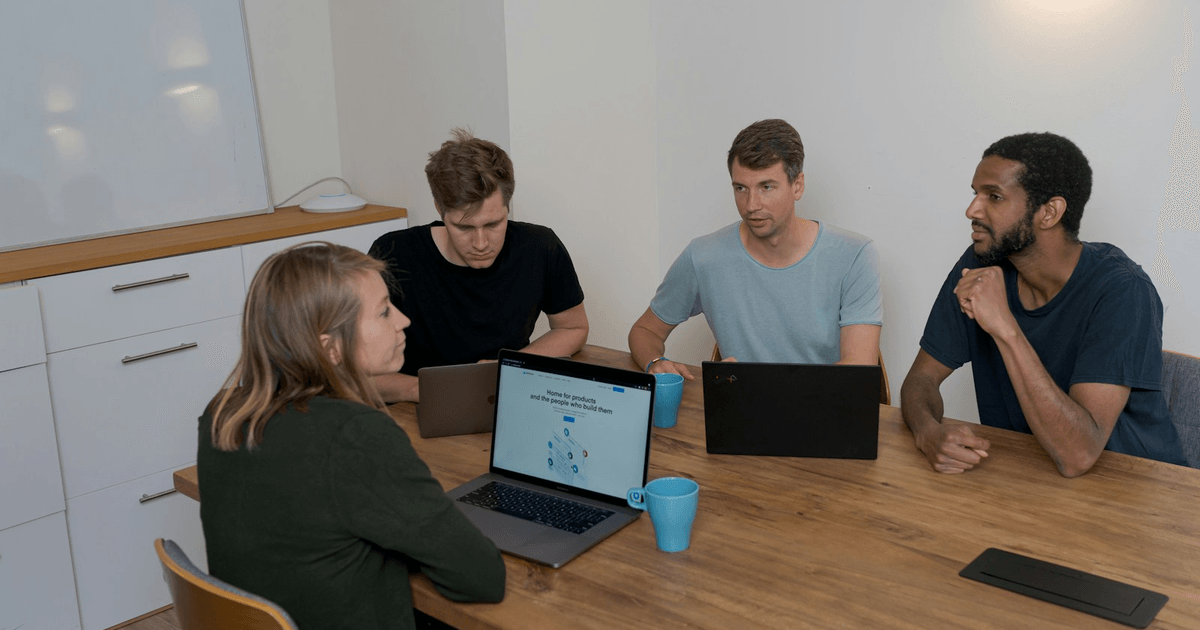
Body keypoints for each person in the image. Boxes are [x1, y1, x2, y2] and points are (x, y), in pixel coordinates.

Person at [197, 242, 506, 630]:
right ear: (330, 348)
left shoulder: (223, 413)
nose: (403, 320)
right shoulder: (354, 435)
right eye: (384, 311)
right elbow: (481, 578)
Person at [901, 132, 1187, 477]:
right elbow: (921, 379)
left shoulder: (1123, 290)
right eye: (975, 194)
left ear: (1049, 213)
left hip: (1138, 488)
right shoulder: (981, 264)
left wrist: (1005, 328)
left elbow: (1077, 455)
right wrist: (929, 433)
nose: (972, 210)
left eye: (994, 196)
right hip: (1031, 478)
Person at [628, 118, 882, 378]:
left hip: (824, 402)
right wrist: (655, 362)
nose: (751, 205)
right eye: (741, 188)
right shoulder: (703, 256)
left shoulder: (854, 255)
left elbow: (858, 370)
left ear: (797, 185)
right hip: (740, 402)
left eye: (766, 187)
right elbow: (644, 331)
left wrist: (759, 385)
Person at [369, 129, 588, 402]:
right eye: (464, 227)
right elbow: (355, 372)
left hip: (505, 398)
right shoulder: (393, 253)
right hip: (417, 404)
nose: (481, 243)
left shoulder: (540, 246)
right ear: (439, 208)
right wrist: (430, 390)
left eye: (493, 224)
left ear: (508, 206)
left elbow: (572, 328)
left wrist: (509, 368)